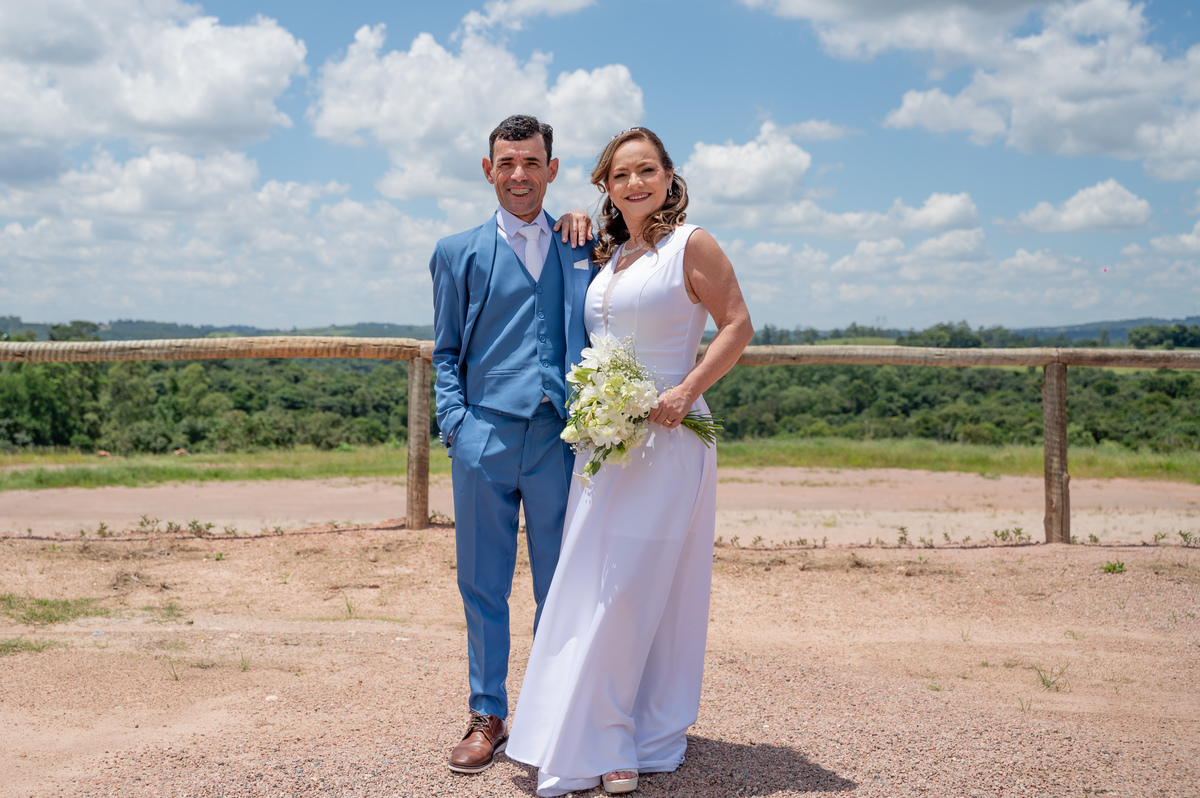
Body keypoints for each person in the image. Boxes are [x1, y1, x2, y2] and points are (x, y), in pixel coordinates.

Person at [506, 127, 753, 795]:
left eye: (647, 170)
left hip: (669, 440)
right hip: (605, 444)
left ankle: (618, 736)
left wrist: (686, 390)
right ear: (607, 187)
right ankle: (587, 719)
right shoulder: (611, 253)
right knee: (591, 584)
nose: (635, 183)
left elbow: (737, 323)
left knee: (633, 589)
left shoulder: (690, 244)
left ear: (670, 176)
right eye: (621, 175)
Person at [428, 114, 597, 775]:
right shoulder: (455, 252)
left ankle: (554, 712)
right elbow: (445, 350)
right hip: (485, 436)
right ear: (488, 169)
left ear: (552, 170)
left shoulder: (580, 245)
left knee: (561, 585)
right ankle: (487, 714)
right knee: (483, 583)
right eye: (507, 162)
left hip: (560, 437)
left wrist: (587, 214)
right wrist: (457, 426)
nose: (519, 174)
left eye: (532, 162)